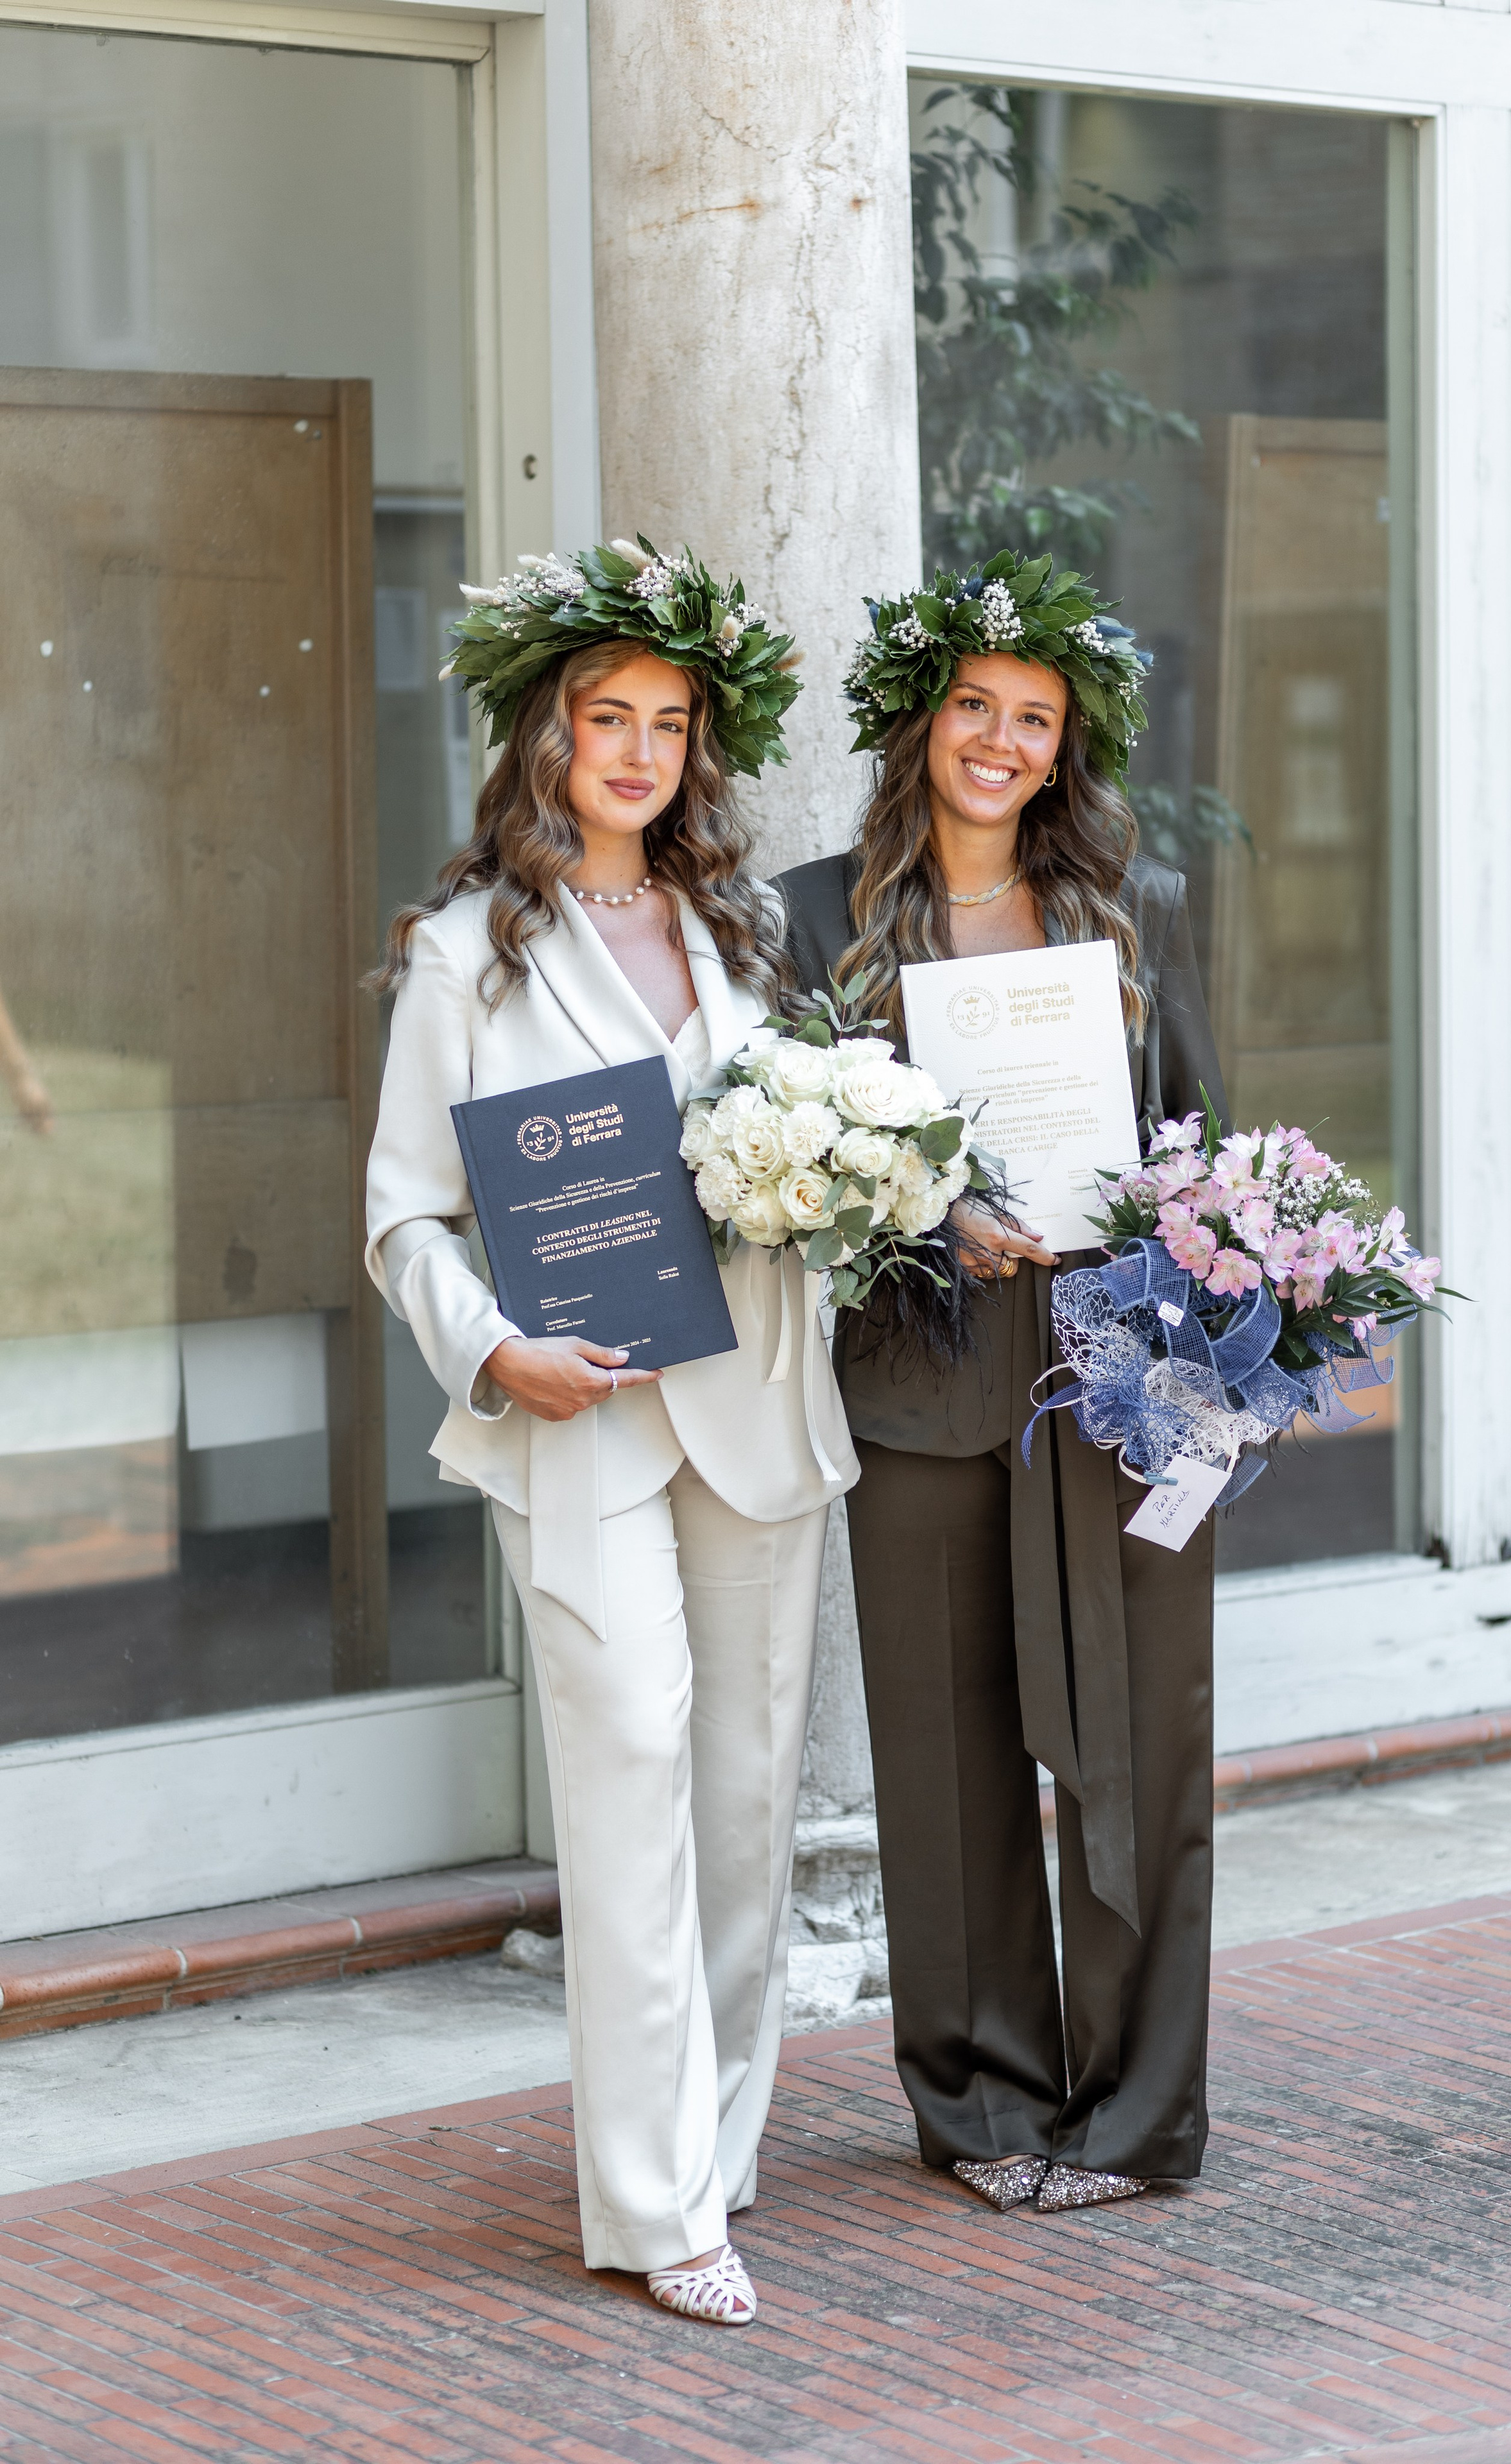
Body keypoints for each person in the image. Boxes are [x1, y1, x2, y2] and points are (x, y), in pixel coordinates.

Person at [366, 541, 856, 2324]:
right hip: (579, 1419)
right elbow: (404, 1217)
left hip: (754, 1410)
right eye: (608, 719)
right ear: (547, 739)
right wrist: (497, 1349)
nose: (640, 753)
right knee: (633, 1764)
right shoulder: (463, 957)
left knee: (745, 1798)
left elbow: (804, 1138)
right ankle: (657, 2213)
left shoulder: (752, 934)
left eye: (669, 724)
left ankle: (715, 2151)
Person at [778, 553, 1226, 2216]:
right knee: (946, 1758)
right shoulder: (811, 917)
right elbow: (786, 1167)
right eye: (974, 703)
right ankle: (985, 2107)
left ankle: (1134, 2114)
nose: (999, 741)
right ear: (922, 718)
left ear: (1065, 747)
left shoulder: (1137, 907)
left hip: (1120, 1384)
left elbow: (1199, 1144)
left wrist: (1210, 1350)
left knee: (1140, 1749)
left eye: (1034, 718)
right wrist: (923, 1210)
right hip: (922, 1386)